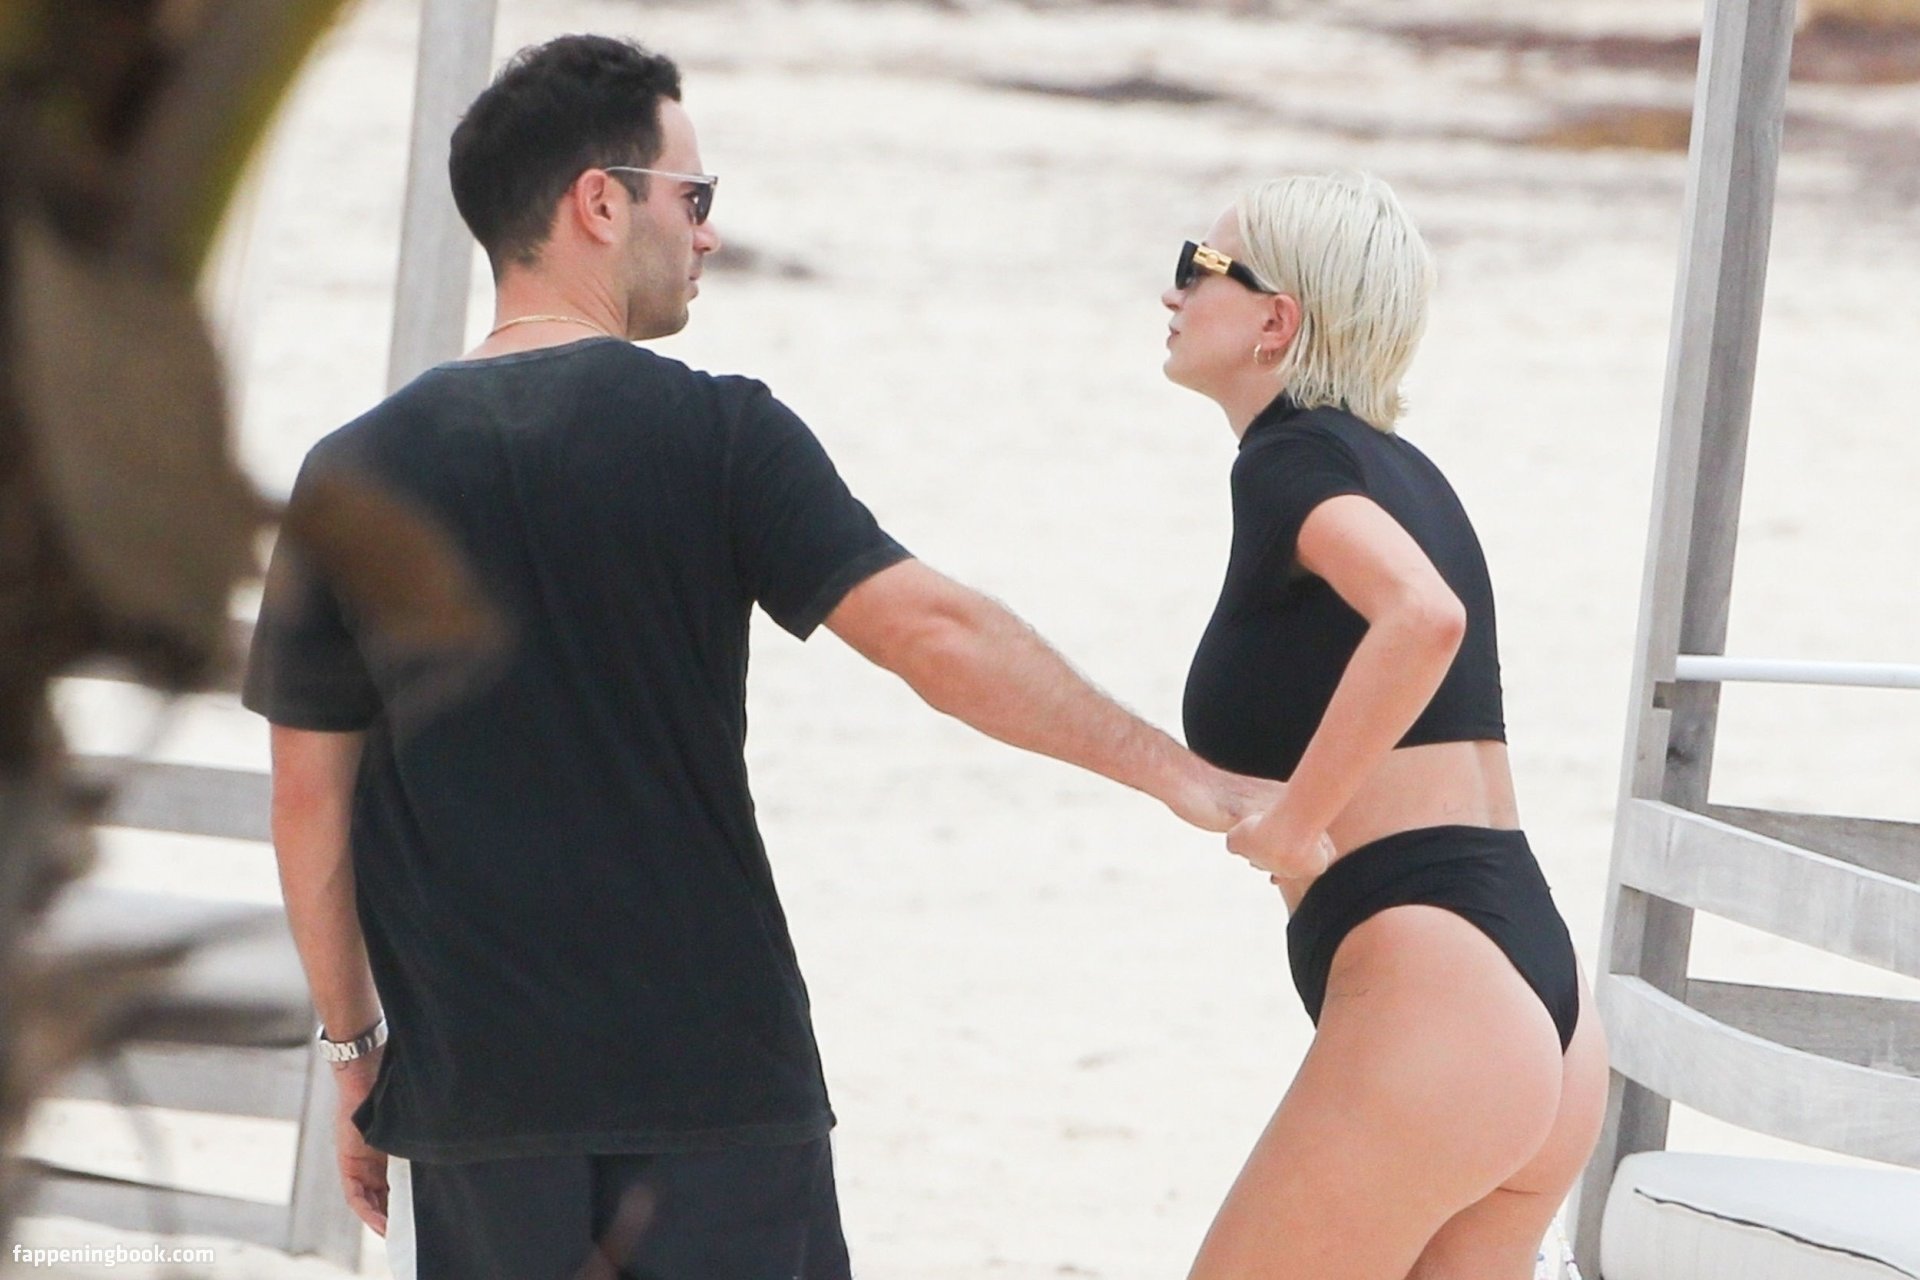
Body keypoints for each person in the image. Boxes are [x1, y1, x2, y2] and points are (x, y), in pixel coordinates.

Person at [242, 34, 1274, 1280]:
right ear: (600, 202)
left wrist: (355, 1054)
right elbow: (931, 631)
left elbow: (309, 800)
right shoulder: (721, 431)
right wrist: (1176, 771)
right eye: (695, 197)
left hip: (478, 1107)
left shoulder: (351, 475)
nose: (710, 233)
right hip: (717, 1093)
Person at [1166, 173, 1610, 1279]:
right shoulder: (1406, 471)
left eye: (1198, 268)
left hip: (1439, 991)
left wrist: (1294, 821)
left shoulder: (1290, 461)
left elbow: (1423, 617)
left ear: (1277, 321)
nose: (1172, 292)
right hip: (1537, 990)